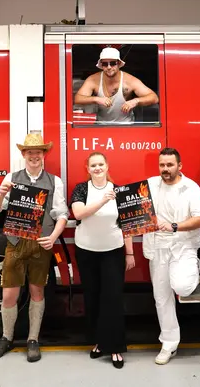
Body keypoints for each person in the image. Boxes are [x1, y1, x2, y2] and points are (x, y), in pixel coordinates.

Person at [0, 133, 69, 362]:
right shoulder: (11, 178)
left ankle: (33, 339)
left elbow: (62, 214)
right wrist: (1, 193)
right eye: (30, 152)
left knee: (37, 292)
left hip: (41, 244)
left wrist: (53, 237)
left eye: (38, 152)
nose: (34, 156)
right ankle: (6, 337)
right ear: (23, 154)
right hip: (15, 242)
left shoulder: (55, 181)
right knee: (8, 294)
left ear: (44, 154)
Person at [142, 148, 200, 365]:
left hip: (183, 245)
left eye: (170, 165)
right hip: (157, 247)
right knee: (161, 298)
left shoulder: (191, 188)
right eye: (162, 165)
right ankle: (169, 343)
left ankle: (194, 267)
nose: (165, 169)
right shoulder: (150, 185)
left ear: (179, 166)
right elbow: (132, 206)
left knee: (182, 287)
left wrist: (175, 226)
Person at [70, 152, 135, 369]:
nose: (97, 168)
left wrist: (129, 253)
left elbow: (127, 224)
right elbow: (79, 214)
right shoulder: (81, 189)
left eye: (100, 164)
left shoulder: (119, 191)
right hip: (86, 251)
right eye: (93, 165)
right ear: (87, 169)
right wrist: (103, 200)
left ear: (107, 166)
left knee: (113, 298)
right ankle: (99, 342)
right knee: (93, 297)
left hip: (112, 251)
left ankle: (115, 347)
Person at [74, 47, 159, 123]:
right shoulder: (93, 80)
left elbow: (154, 98)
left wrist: (135, 101)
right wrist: (96, 99)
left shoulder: (129, 80)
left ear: (118, 63)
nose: (109, 67)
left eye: (112, 63)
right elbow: (78, 99)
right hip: (101, 126)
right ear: (101, 65)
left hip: (126, 126)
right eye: (105, 64)